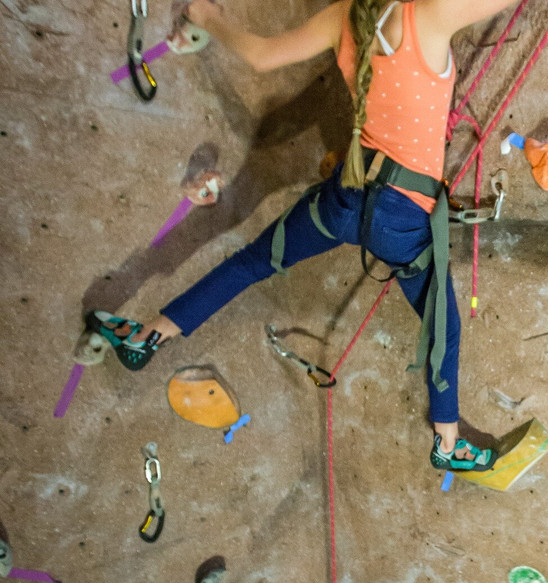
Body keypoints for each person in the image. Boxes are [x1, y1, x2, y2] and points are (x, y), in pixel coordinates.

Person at [90, 0, 520, 471]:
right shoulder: (427, 17)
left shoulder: (344, 16)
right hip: (403, 221)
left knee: (252, 262)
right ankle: (447, 441)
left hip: (345, 200)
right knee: (444, 327)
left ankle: (149, 335)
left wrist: (207, 17)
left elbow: (260, 56)